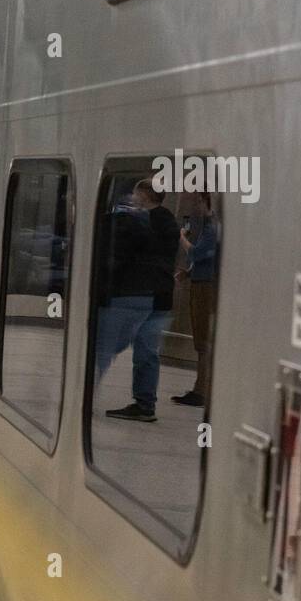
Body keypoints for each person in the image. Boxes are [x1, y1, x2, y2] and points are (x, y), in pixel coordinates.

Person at [96, 179, 179, 422]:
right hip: (162, 296)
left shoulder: (141, 222)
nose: (133, 197)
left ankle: (83, 394)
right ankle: (145, 404)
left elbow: (125, 253)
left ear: (144, 194)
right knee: (147, 352)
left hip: (137, 294)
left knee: (105, 347)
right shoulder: (169, 222)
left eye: (135, 193)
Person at [171, 191, 218, 408]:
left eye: (196, 201)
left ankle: (201, 389)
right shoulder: (210, 226)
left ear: (203, 201)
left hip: (205, 287)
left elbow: (200, 253)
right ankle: (200, 387)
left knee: (202, 340)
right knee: (201, 340)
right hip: (201, 282)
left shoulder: (212, 228)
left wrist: (182, 239)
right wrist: (189, 272)